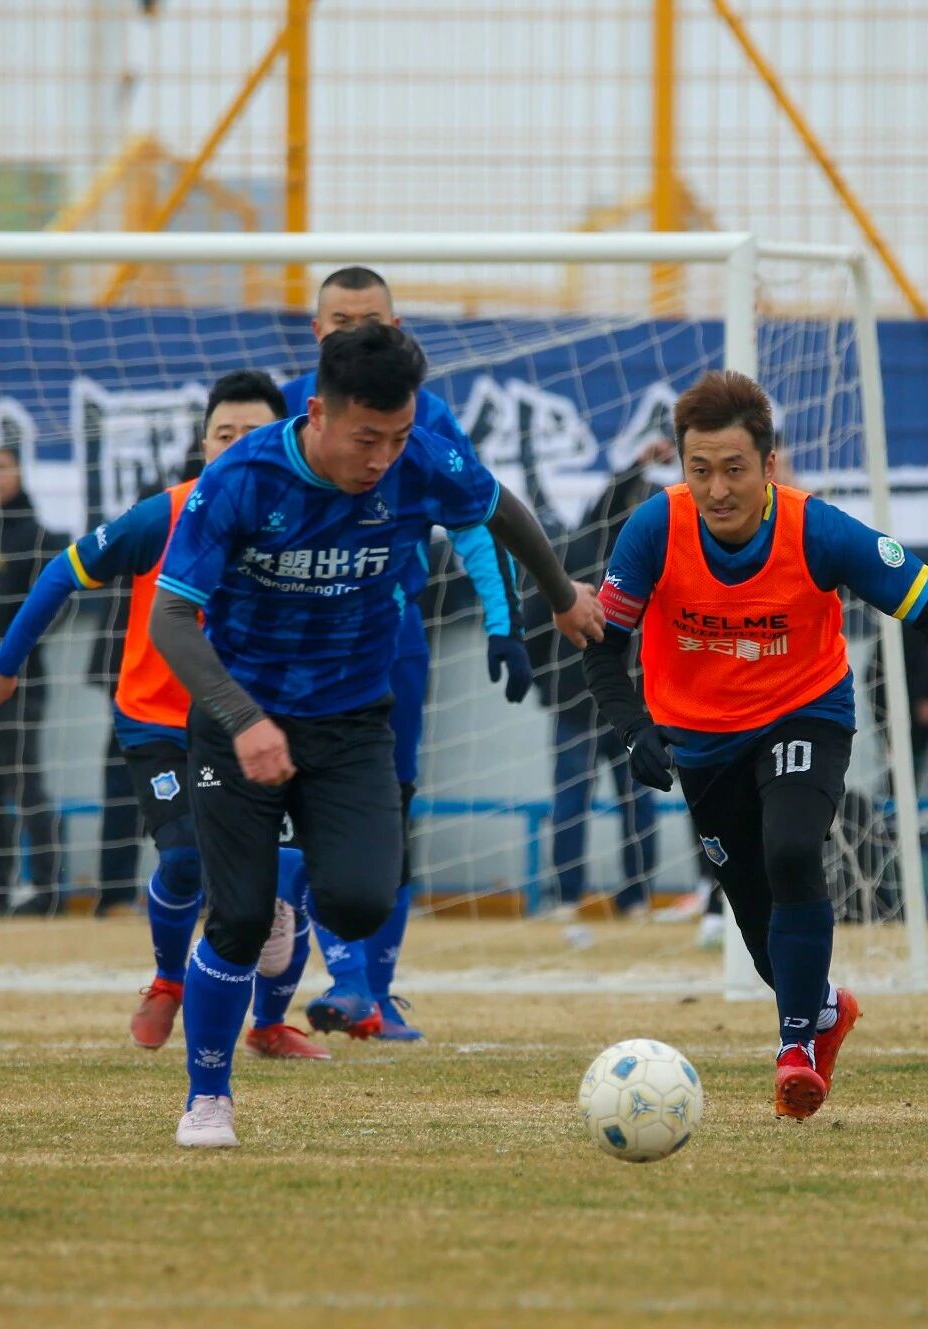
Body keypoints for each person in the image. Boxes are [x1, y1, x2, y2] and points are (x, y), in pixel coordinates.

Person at [152, 322, 603, 1147]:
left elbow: (498, 507)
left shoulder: (421, 457)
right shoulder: (241, 478)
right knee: (237, 921)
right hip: (237, 723)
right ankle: (207, 1097)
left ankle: (285, 886)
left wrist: (560, 593)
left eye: (398, 437)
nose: (383, 458)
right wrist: (244, 719)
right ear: (319, 413)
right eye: (368, 439)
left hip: (353, 721)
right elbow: (171, 619)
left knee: (361, 902)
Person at [583, 370, 928, 1121]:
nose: (717, 490)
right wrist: (633, 727)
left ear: (769, 465)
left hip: (804, 715)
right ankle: (824, 1010)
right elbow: (603, 645)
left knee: (794, 850)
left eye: (734, 469)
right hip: (702, 742)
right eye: (700, 469)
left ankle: (795, 1049)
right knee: (757, 920)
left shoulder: (818, 530)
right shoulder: (653, 528)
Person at [0, 371, 317, 1052]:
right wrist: (7, 662)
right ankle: (167, 982)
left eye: (252, 434)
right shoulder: (164, 514)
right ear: (203, 443)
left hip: (262, 726)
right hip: (159, 724)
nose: (235, 446)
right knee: (184, 858)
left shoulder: (313, 522)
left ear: (286, 439)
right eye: (223, 434)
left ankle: (271, 1023)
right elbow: (62, 571)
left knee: (284, 878)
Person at [277, 266, 532, 1043]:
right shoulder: (282, 408)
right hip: (283, 651)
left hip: (389, 644)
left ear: (398, 331)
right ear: (317, 333)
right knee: (287, 814)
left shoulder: (430, 417)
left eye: (373, 323)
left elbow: (476, 517)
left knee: (389, 808)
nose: (356, 334)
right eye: (341, 321)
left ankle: (371, 991)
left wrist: (503, 620)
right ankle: (319, 985)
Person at [525, 450, 666, 916]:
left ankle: (604, 898)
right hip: (596, 707)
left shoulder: (642, 563)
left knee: (617, 805)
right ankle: (600, 898)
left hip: (613, 708)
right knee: (603, 804)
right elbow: (534, 624)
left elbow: (533, 625)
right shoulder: (589, 554)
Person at [0, 445, 66, 914]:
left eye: (1, 467)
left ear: (20, 474)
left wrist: (10, 656)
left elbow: (56, 608)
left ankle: (44, 886)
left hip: (18, 679)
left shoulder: (37, 535)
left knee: (22, 779)